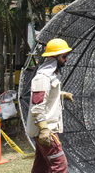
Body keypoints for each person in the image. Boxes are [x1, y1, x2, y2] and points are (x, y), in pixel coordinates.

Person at [26, 38, 74, 173]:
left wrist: (61, 94)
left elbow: (46, 96)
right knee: (59, 165)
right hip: (47, 131)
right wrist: (44, 130)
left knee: (41, 166)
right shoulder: (42, 77)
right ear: (55, 57)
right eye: (64, 57)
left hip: (47, 129)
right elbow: (37, 105)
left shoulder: (51, 76)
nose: (66, 60)